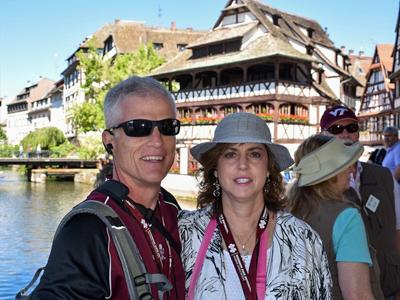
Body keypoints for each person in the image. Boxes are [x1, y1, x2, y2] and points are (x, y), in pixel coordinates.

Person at [31, 76, 185, 299]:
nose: (157, 141)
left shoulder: (171, 208)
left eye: (167, 127)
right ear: (109, 140)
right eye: (138, 127)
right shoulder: (87, 229)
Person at [179, 112, 332, 299]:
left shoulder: (304, 240)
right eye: (230, 154)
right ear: (216, 169)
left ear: (268, 168)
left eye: (255, 154)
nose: (243, 164)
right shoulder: (186, 233)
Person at [320, 105, 400, 298]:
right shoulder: (315, 185)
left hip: (389, 284)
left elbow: (398, 229)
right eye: (336, 129)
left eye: (351, 128)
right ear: (322, 135)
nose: (345, 134)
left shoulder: (384, 176)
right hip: (343, 291)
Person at [288, 134, 376, 299]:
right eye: (345, 164)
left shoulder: (286, 212)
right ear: (331, 172)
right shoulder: (346, 217)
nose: (351, 169)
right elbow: (358, 295)